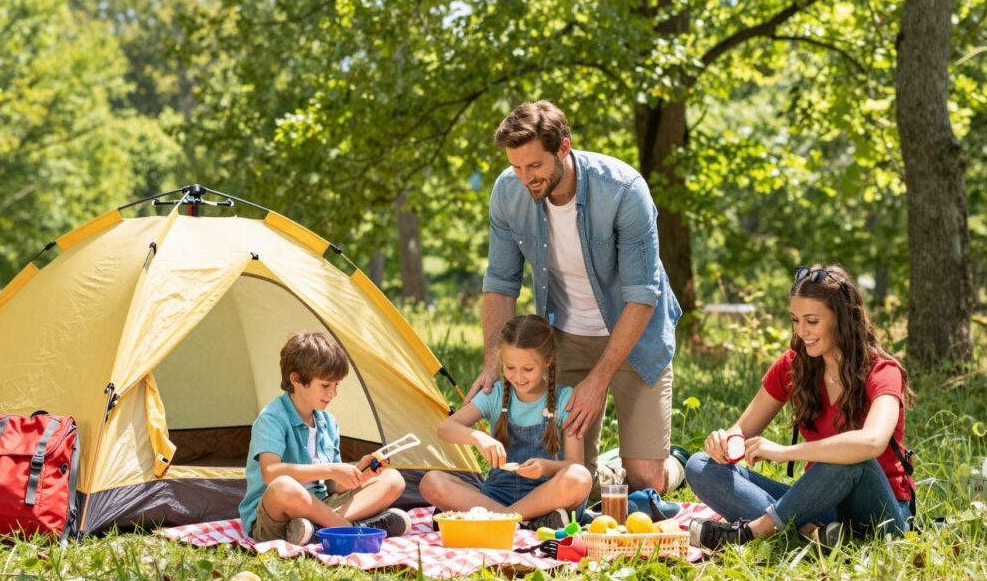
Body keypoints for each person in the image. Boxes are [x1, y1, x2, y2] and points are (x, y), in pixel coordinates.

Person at [469, 100, 684, 495]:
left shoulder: (624, 190)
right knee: (567, 478)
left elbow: (643, 295)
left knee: (647, 482)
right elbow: (501, 282)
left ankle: (673, 462)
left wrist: (598, 380)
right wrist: (491, 363)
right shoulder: (507, 192)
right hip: (564, 336)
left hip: (635, 335)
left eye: (534, 166)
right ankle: (611, 473)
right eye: (516, 167)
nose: (525, 178)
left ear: (563, 149)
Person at [686, 265, 915, 551]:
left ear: (841, 319)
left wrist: (785, 453)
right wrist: (725, 441)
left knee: (852, 456)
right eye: (795, 320)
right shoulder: (795, 365)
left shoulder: (882, 371)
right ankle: (812, 533)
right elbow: (741, 432)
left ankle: (755, 532)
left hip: (880, 514)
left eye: (812, 321)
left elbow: (871, 443)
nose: (801, 331)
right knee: (699, 466)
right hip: (820, 502)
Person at [420, 315, 593, 529]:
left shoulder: (565, 399)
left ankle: (499, 518)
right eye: (510, 367)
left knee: (580, 477)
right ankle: (521, 521)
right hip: (496, 495)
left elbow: (574, 464)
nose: (518, 376)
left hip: (544, 498)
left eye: (528, 369)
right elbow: (445, 428)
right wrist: (478, 438)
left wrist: (546, 467)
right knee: (431, 481)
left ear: (548, 360)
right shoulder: (496, 394)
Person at [238, 332, 411, 545]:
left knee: (393, 479)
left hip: (322, 506)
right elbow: (270, 473)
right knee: (284, 486)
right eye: (326, 385)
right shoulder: (272, 418)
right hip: (274, 517)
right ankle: (353, 530)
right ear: (296, 380)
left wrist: (359, 474)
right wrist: (331, 469)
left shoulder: (328, 422)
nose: (333, 393)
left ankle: (317, 529)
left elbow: (330, 487)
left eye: (336, 385)